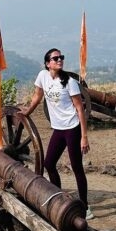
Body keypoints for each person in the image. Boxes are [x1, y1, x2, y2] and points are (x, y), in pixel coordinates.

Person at [21, 47, 94, 220]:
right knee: (49, 163)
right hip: (58, 129)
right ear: (48, 64)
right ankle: (60, 198)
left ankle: (85, 206)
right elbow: (37, 97)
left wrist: (84, 137)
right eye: (55, 58)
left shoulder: (70, 82)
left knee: (76, 167)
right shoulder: (43, 76)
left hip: (72, 128)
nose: (60, 60)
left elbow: (79, 109)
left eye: (61, 57)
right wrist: (27, 112)